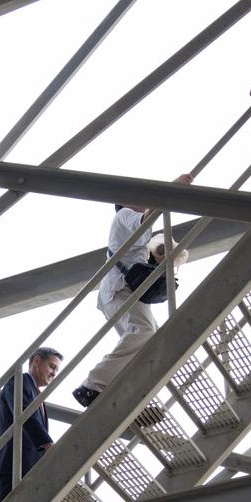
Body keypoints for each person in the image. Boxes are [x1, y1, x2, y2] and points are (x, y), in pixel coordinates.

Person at [71, 175, 192, 424]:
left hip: (120, 291)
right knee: (146, 331)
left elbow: (144, 242)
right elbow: (146, 220)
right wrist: (172, 190)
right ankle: (93, 383)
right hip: (120, 289)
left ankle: (133, 401)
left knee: (145, 343)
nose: (143, 200)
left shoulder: (132, 226)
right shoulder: (124, 214)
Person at [0, 347, 62, 502]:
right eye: (52, 366)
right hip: (14, 463)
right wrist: (47, 443)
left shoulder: (36, 394)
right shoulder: (19, 381)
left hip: (28, 466)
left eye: (57, 370)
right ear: (37, 361)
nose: (54, 373)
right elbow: (25, 414)